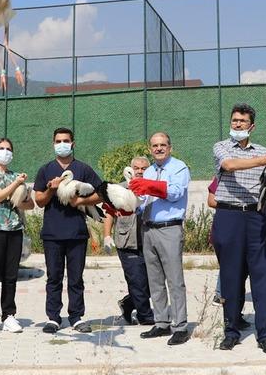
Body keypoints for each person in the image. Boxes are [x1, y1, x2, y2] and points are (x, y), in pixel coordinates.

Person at [211, 104, 266, 354]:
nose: (238, 124)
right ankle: (231, 331)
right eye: (234, 120)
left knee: (262, 277)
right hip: (228, 216)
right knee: (231, 277)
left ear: (252, 126)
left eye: (243, 121)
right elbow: (229, 166)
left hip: (256, 217)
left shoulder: (265, 151)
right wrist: (265, 160)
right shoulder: (221, 147)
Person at [33, 127, 103, 334]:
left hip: (77, 233)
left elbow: (100, 193)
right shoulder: (45, 170)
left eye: (65, 140)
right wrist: (51, 189)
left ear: (72, 143)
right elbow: (38, 200)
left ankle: (76, 317)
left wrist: (81, 200)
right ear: (53, 144)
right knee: (54, 277)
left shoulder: (83, 169)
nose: (61, 144)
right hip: (52, 234)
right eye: (57, 141)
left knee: (76, 278)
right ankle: (53, 318)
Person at [130, 132, 191, 346]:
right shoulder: (148, 170)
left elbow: (175, 192)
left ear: (170, 147)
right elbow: (144, 199)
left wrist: (149, 186)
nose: (159, 148)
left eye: (163, 145)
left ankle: (180, 326)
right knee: (154, 279)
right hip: (148, 228)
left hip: (169, 229)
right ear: (150, 149)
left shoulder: (179, 168)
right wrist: (129, 205)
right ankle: (162, 322)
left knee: (174, 280)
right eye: (155, 145)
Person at [207, 176, 266, 313]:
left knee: (250, 267)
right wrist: (236, 206)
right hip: (230, 229)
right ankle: (220, 295)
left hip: (250, 227)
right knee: (231, 269)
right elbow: (211, 201)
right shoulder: (223, 177)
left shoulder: (255, 177)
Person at [0, 138, 34, 335]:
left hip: (14, 230)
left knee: (11, 276)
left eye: (9, 149)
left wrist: (22, 194)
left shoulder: (15, 175)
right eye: (1, 148)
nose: (5, 152)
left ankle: (9, 315)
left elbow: (29, 205)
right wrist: (16, 186)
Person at [101, 156, 155, 326]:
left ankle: (128, 303)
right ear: (130, 168)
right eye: (137, 168)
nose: (139, 171)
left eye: (144, 168)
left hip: (150, 241)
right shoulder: (119, 189)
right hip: (127, 242)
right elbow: (109, 213)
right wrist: (107, 236)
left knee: (152, 283)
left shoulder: (152, 189)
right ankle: (145, 316)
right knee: (137, 281)